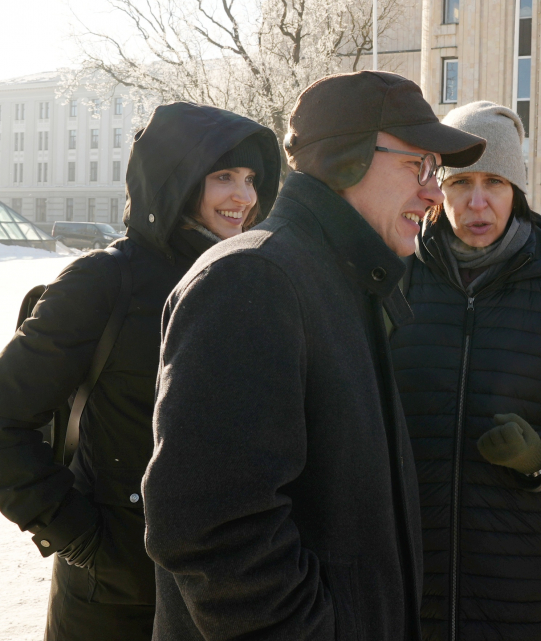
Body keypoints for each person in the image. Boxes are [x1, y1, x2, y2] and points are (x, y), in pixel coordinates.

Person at [142, 71, 486, 640]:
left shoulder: (346, 282)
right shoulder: (255, 278)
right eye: (417, 166)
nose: (433, 193)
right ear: (347, 159)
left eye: (435, 171)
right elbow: (213, 527)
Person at [0, 102, 279, 641]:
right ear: (175, 179)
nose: (244, 197)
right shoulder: (105, 280)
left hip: (228, 600)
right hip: (114, 605)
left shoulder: (251, 279)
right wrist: (84, 541)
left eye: (250, 178)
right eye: (223, 176)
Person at [390, 100, 541, 641]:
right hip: (404, 555)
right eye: (461, 181)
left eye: (494, 181)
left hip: (515, 566)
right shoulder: (395, 277)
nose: (477, 201)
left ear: (516, 192)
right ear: (438, 189)